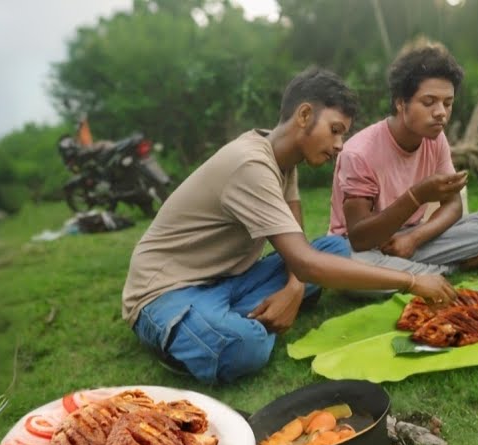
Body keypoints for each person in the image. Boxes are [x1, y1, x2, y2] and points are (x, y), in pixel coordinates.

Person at [122, 67, 458, 384]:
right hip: (167, 292)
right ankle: (192, 336)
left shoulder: (284, 160)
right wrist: (412, 281)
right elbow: (305, 262)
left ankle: (225, 318)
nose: (339, 145)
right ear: (304, 115)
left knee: (336, 249)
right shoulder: (250, 164)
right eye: (335, 130)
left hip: (229, 280)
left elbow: (300, 246)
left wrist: (294, 290)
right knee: (247, 346)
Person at [329, 40, 478, 279]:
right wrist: (416, 196)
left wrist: (413, 239)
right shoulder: (359, 152)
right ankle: (453, 266)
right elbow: (360, 238)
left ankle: (403, 272)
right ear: (401, 102)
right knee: (354, 266)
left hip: (410, 238)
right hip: (360, 248)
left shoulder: (436, 139)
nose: (441, 112)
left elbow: (453, 205)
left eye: (447, 103)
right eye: (429, 102)